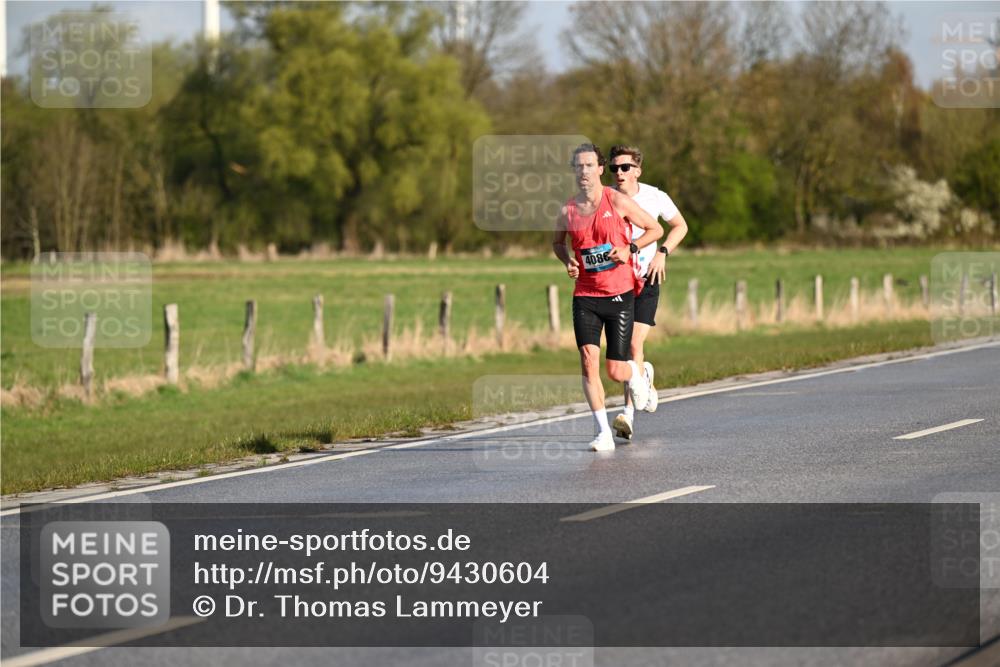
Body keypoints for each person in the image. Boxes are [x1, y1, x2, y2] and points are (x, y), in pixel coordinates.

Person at [552, 143, 663, 452]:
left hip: (618, 293)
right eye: (578, 167)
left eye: (589, 166)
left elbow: (655, 229)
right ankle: (603, 432)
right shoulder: (568, 210)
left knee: (615, 370)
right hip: (585, 295)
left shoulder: (616, 201)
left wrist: (630, 249)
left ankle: (639, 374)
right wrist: (568, 261)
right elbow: (557, 243)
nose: (583, 171)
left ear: (600, 170)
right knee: (588, 362)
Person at [606, 145, 689, 441]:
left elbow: (680, 226)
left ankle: (627, 415)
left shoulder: (655, 196)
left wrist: (663, 252)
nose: (619, 173)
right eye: (614, 168)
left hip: (647, 278)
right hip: (617, 283)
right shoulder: (606, 199)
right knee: (626, 347)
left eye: (625, 168)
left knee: (632, 346)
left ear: (638, 170)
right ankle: (643, 378)